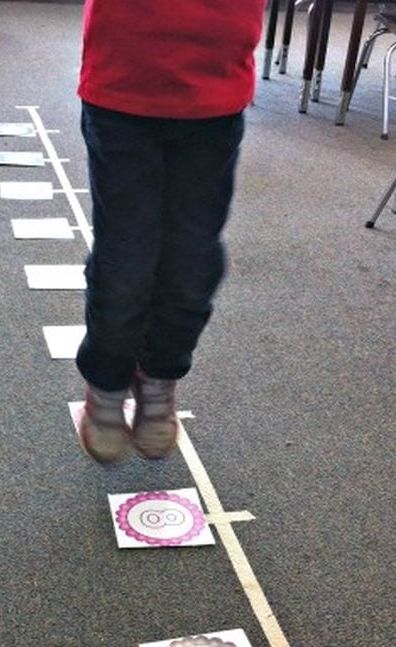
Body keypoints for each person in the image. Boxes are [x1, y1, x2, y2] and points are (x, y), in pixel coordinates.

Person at [76, 0, 265, 462]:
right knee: (126, 258)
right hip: (122, 88)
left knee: (193, 261)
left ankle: (159, 374)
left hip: (213, 92)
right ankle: (106, 381)